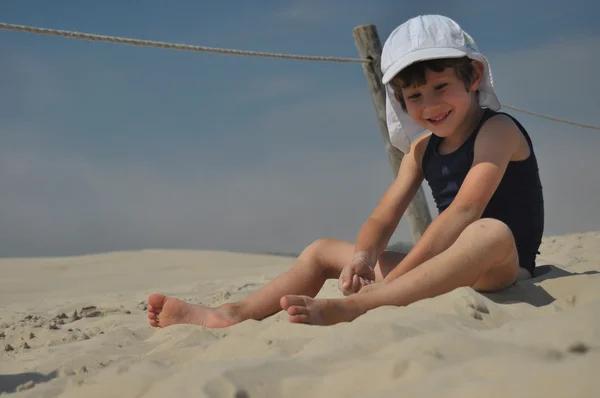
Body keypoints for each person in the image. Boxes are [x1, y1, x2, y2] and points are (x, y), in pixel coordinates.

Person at [147, 14, 544, 328]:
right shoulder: (423, 149)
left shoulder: (498, 129)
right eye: (415, 96)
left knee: (488, 231)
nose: (430, 105)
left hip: (502, 265)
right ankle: (234, 312)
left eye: (441, 86)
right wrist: (363, 257)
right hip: (439, 266)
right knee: (321, 250)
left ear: (473, 76)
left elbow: (464, 211)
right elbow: (382, 217)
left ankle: (360, 305)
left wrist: (398, 277)